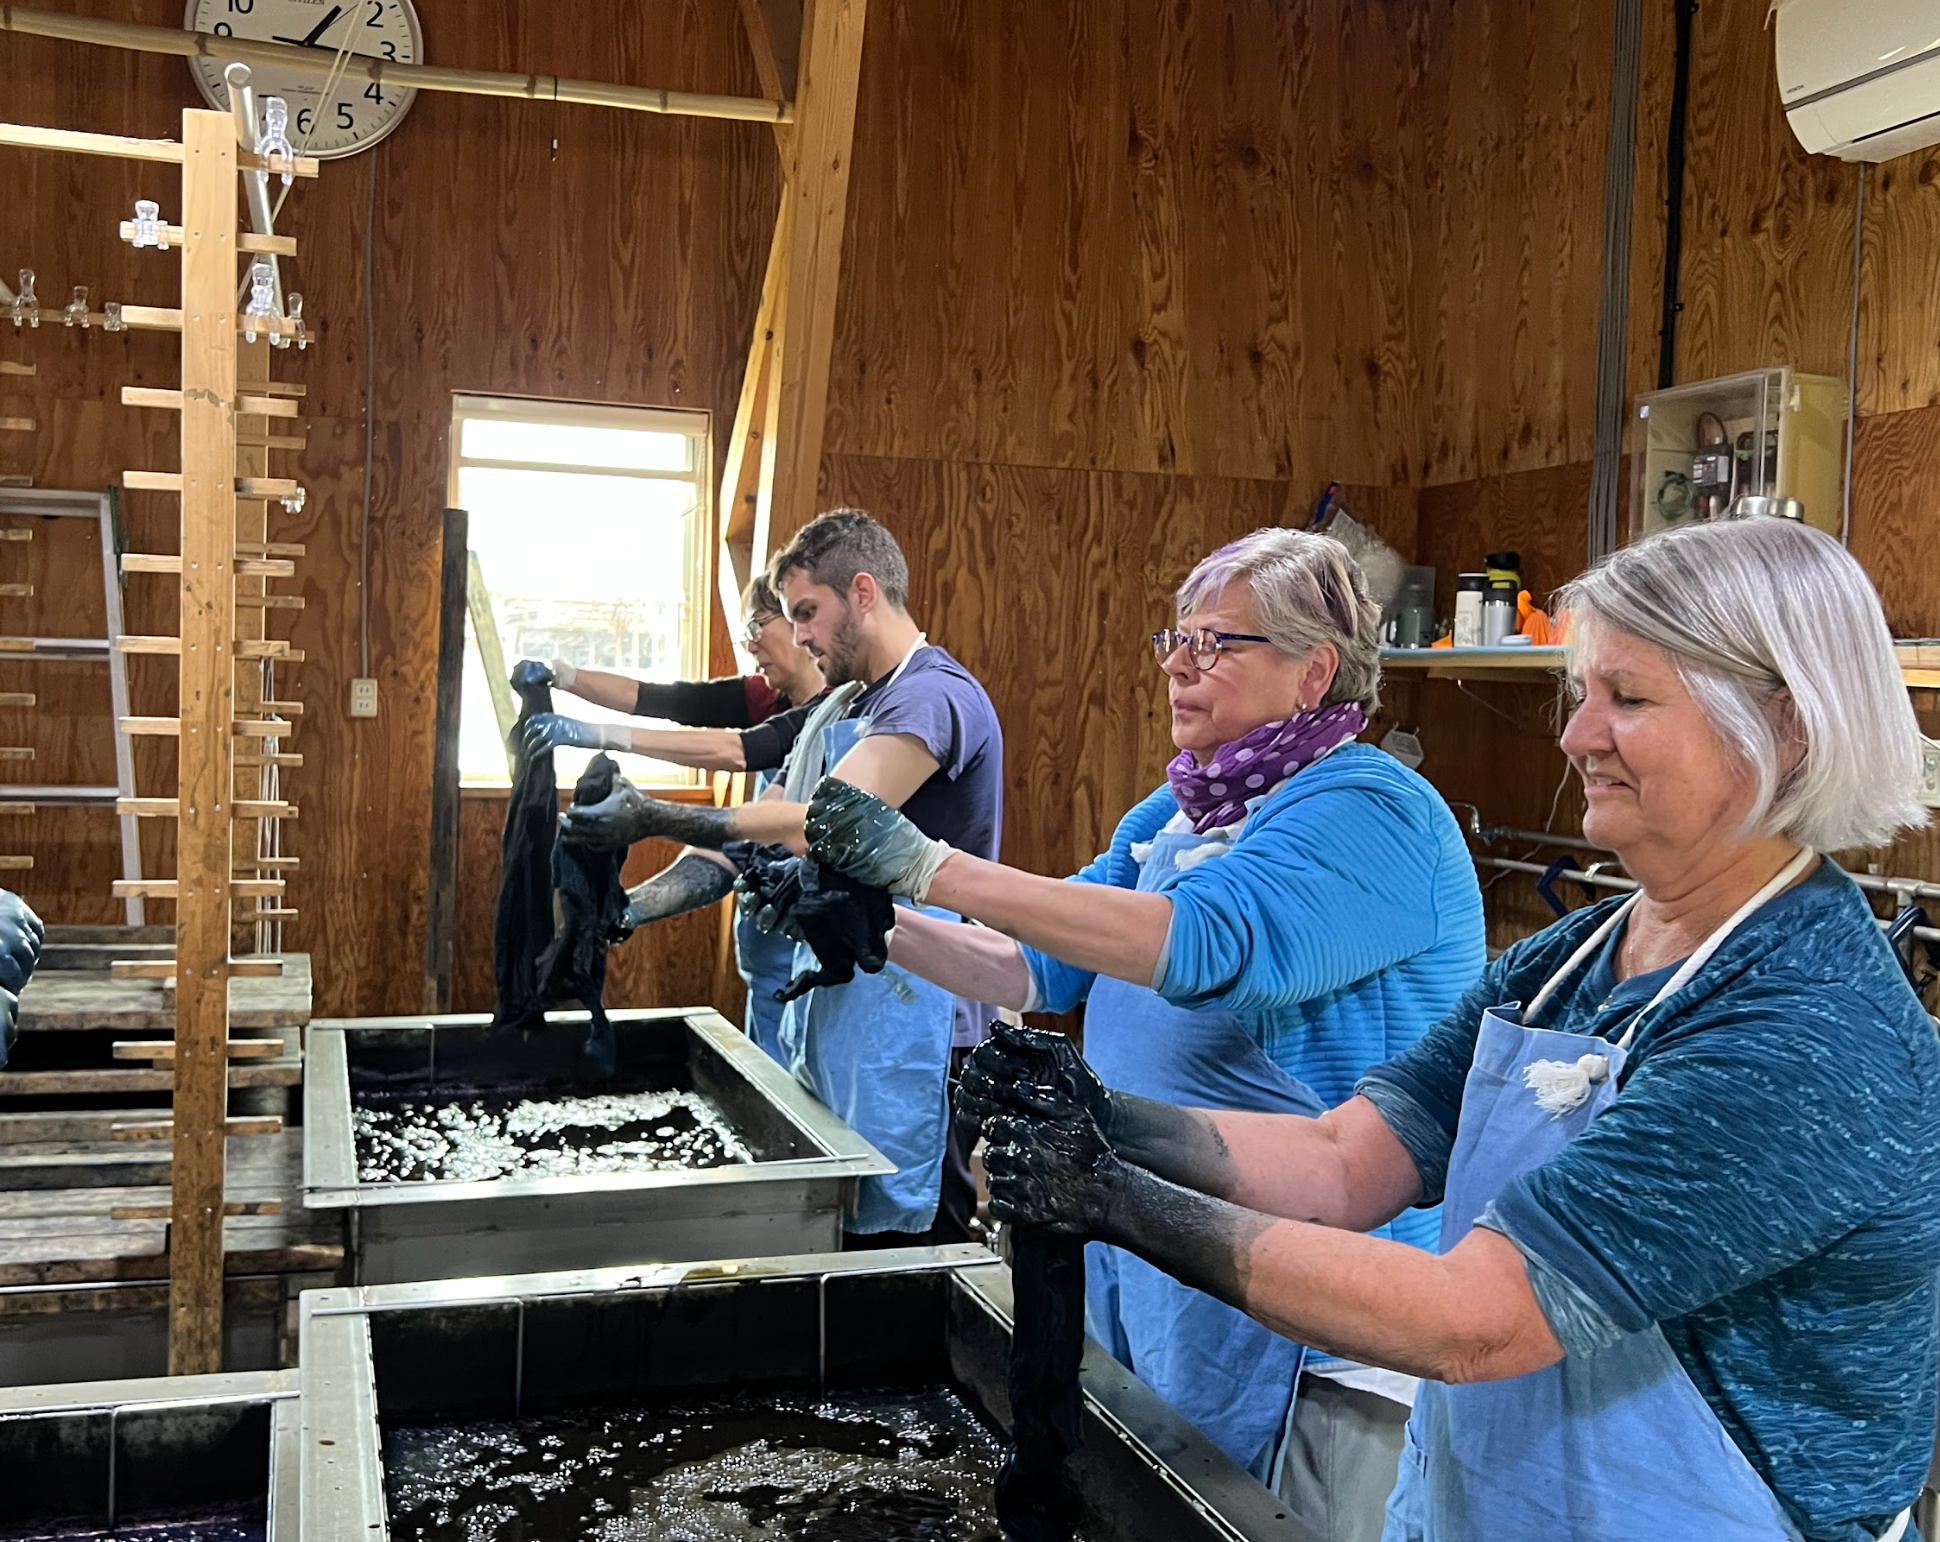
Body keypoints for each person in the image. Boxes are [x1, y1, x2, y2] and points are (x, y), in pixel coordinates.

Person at [950, 517, 1940, 1542]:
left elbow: (1477, 1317)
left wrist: (1113, 1197)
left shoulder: (1803, 1027)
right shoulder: (1568, 962)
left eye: (1629, 699)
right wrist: (1106, 1122)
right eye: (1580, 694)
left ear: (1786, 726)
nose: (1575, 737)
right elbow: (1346, 1161)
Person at [803, 527, 1486, 1534]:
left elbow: (1205, 941)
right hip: (1160, 1243)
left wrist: (931, 868)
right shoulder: (1176, 808)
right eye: (1176, 637)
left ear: (1313, 671)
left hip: (1320, 1318)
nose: (1177, 664)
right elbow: (1034, 965)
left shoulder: (1372, 809)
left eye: (1216, 643)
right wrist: (879, 924)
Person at [557, 509, 1005, 1245]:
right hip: (846, 1005)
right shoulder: (844, 705)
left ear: (863, 593)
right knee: (843, 1222)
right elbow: (754, 809)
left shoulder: (931, 698)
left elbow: (828, 821)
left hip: (924, 1017)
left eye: (806, 613)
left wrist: (653, 815)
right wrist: (630, 902)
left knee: (918, 1234)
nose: (798, 637)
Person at [517, 575, 825, 777]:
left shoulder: (836, 709)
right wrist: (562, 676)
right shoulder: (766, 695)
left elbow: (738, 751)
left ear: (799, 621)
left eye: (757, 626)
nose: (751, 645)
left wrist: (598, 735)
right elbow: (660, 699)